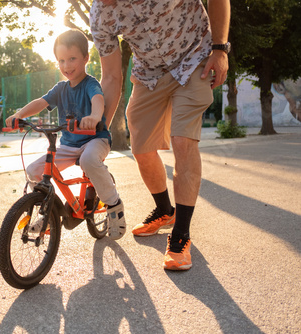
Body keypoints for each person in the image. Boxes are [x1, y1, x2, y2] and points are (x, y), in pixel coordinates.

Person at [90, 0, 230, 270]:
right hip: (149, 74)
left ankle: (181, 234)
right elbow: (111, 76)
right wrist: (101, 128)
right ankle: (165, 210)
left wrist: (220, 48)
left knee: (183, 141)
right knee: (141, 147)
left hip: (194, 59)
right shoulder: (100, 14)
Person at [5, 29, 126, 239]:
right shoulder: (61, 88)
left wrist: (95, 116)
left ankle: (114, 206)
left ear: (86, 58)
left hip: (95, 139)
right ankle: (49, 211)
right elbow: (41, 102)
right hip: (69, 145)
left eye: (72, 59)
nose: (67, 66)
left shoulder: (90, 84)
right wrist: (19, 114)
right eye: (61, 60)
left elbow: (98, 100)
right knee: (35, 170)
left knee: (89, 160)